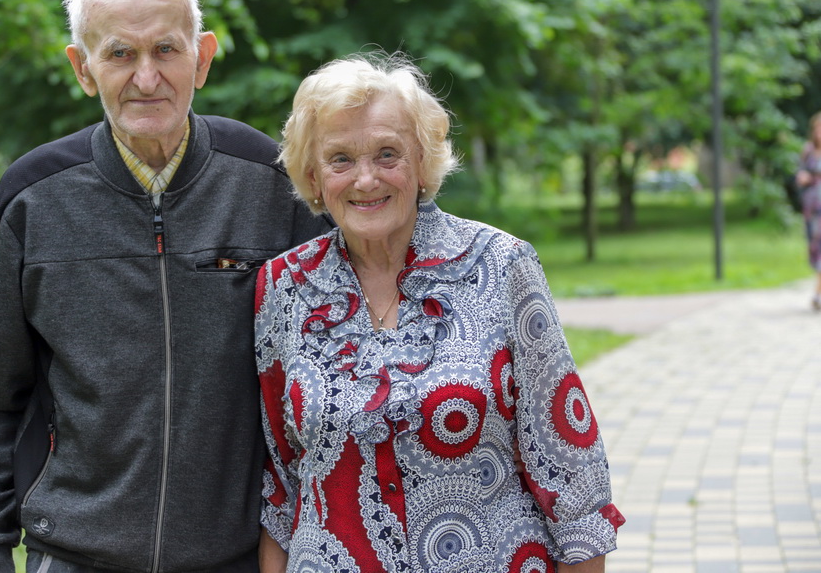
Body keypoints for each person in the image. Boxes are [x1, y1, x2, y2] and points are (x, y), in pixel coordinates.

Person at [0, 0, 329, 573]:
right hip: (72, 555)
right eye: (120, 53)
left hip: (237, 557)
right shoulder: (34, 197)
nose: (145, 77)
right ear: (82, 67)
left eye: (166, 50)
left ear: (201, 59)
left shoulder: (271, 185)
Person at [254, 53, 625, 573]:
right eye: (341, 159)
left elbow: (574, 475)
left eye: (388, 154)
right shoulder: (283, 286)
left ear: (423, 164)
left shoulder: (501, 265)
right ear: (313, 177)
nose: (366, 180)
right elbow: (282, 484)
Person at [795, 110, 821, 311]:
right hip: (813, 207)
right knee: (816, 248)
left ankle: (817, 294)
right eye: (818, 129)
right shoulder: (807, 151)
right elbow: (799, 174)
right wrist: (803, 177)